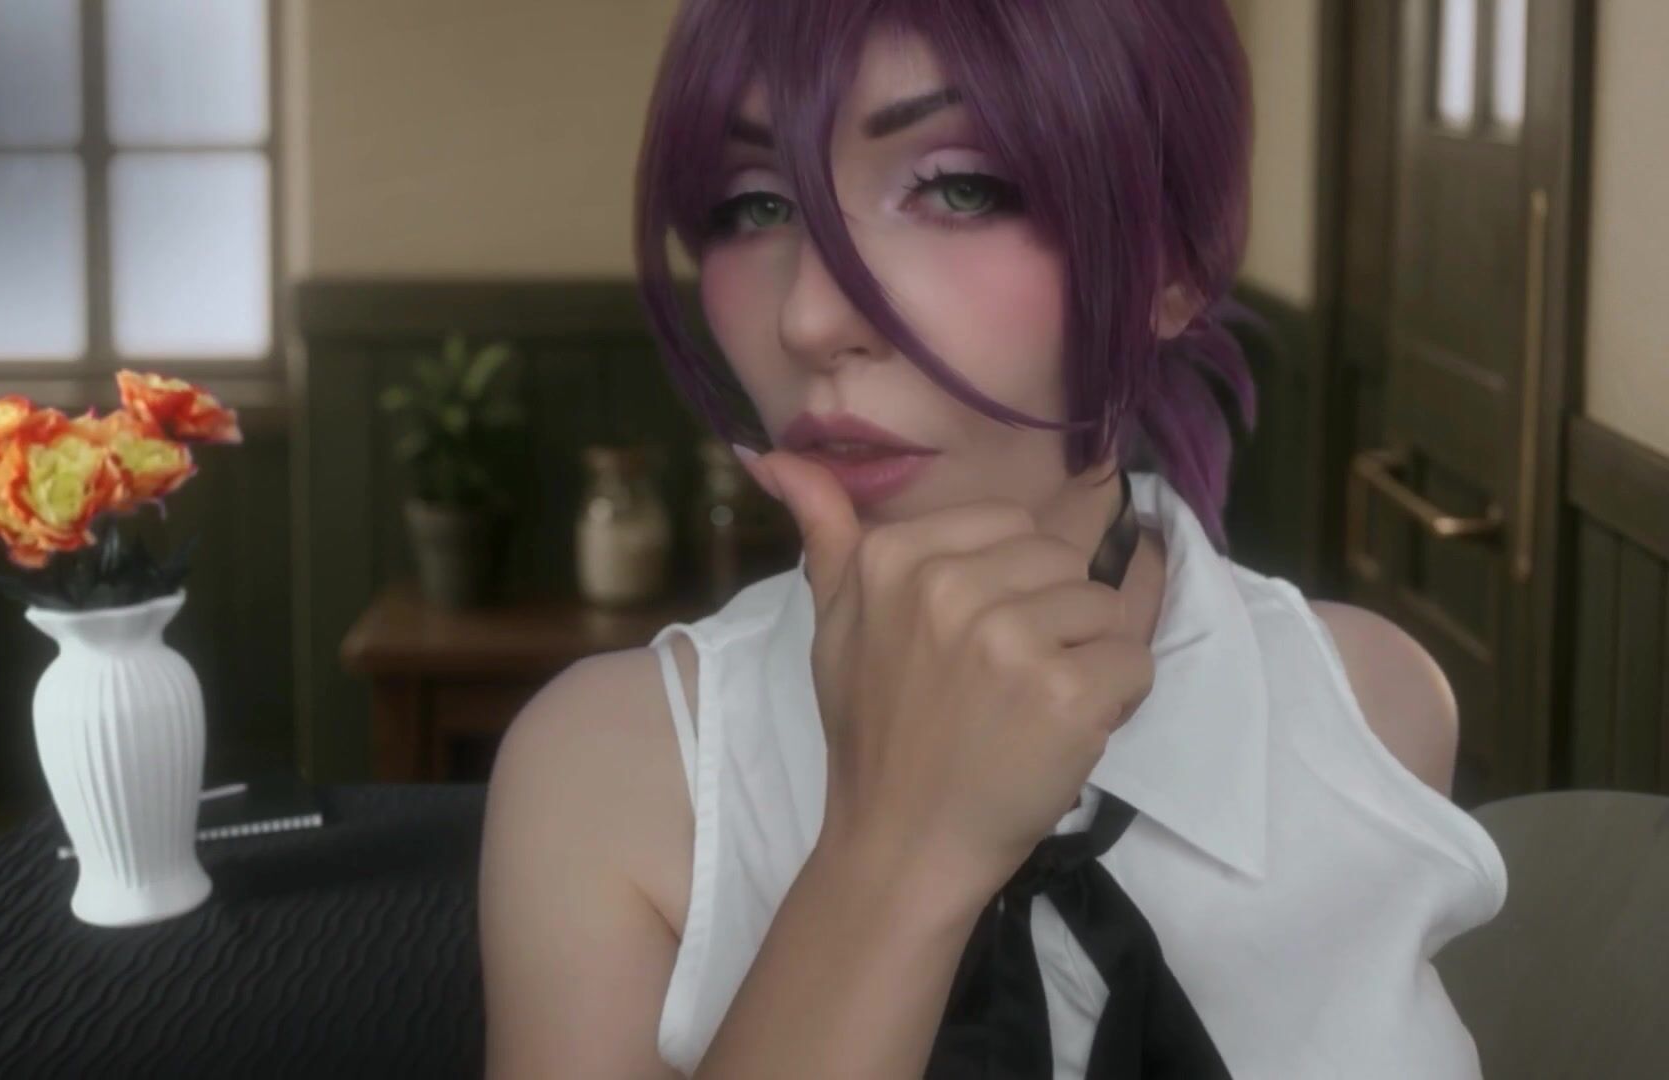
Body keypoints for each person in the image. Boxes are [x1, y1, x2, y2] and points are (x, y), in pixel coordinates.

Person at [479, 1, 1507, 1077]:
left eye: (959, 188)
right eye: (756, 203)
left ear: (1173, 263)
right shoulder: (610, 771)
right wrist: (894, 859)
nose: (810, 318)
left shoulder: (1370, 708)